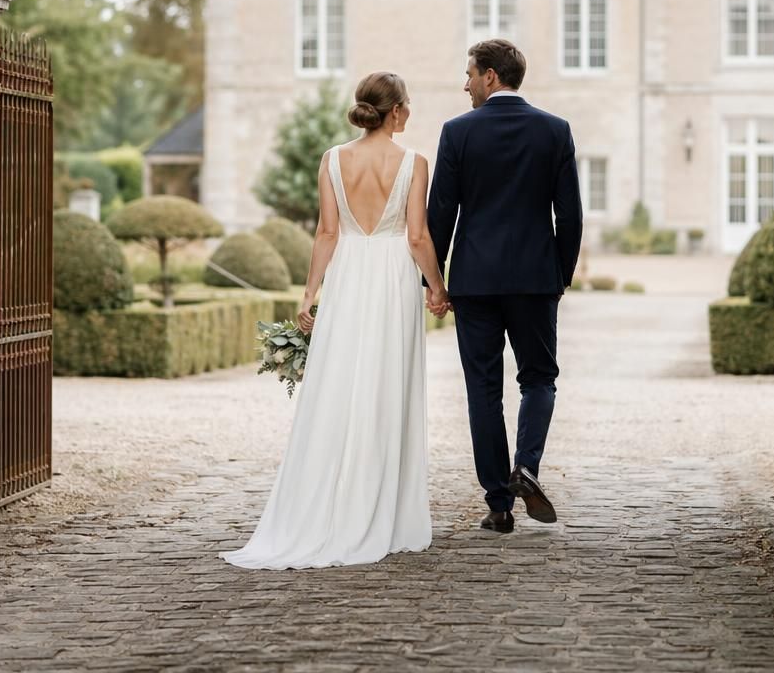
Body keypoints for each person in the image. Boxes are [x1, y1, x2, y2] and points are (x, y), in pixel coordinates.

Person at [219, 71, 445, 569]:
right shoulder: (413, 163)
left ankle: (329, 505)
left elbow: (326, 231)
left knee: (340, 382)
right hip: (392, 278)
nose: (409, 112)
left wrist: (310, 293)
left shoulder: (332, 159)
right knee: (387, 384)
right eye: (407, 104)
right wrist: (437, 287)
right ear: (396, 111)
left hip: (348, 277)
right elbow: (416, 237)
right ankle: (383, 511)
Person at [427, 39, 584, 533]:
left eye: (470, 74)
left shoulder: (457, 132)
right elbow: (571, 216)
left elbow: (440, 215)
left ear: (490, 76)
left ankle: (499, 505)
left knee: (483, 390)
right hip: (535, 279)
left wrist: (433, 281)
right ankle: (527, 466)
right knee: (539, 379)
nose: (466, 84)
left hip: (474, 281)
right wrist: (559, 276)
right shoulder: (555, 130)